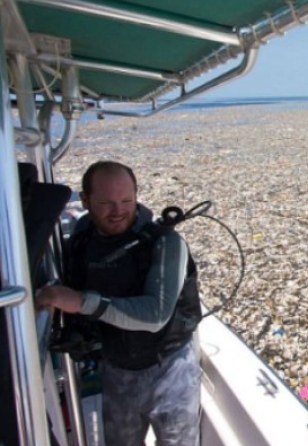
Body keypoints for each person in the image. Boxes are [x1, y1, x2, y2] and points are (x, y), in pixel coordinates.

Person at [36, 161, 202, 446]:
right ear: (85, 200)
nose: (118, 211)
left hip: (171, 369)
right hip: (117, 368)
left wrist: (80, 302)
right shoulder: (83, 236)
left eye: (127, 200)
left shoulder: (166, 243)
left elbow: (155, 315)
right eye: (106, 203)